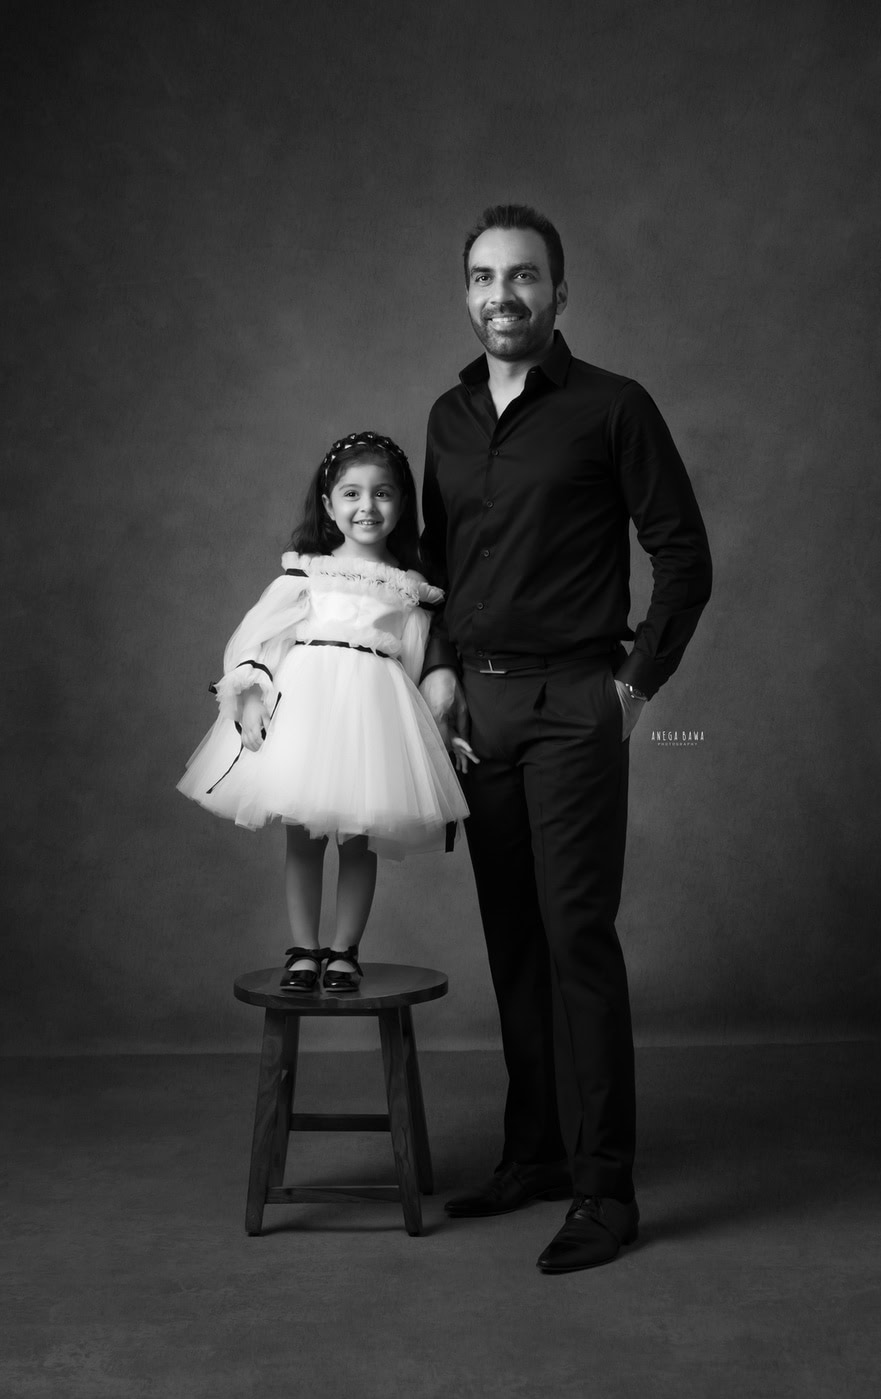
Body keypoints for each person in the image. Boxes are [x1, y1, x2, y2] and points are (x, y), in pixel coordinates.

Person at [420, 205, 713, 1273]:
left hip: (574, 701)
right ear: (466, 293)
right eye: (487, 277)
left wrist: (632, 690)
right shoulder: (449, 416)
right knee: (515, 940)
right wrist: (441, 665)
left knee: (577, 936)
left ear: (560, 294)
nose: (506, 294)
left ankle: (605, 1188)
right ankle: (535, 1151)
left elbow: (685, 558)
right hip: (477, 711)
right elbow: (435, 566)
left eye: (527, 277)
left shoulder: (613, 407)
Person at [178, 431, 469, 993]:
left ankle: (344, 951)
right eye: (352, 494)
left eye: (383, 493)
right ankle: (303, 950)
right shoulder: (306, 573)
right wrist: (253, 693)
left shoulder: (411, 591)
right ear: (330, 505)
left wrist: (434, 731)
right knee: (303, 837)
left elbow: (413, 665)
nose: (368, 507)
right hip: (308, 713)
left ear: (403, 504)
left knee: (360, 837)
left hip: (373, 717)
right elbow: (258, 637)